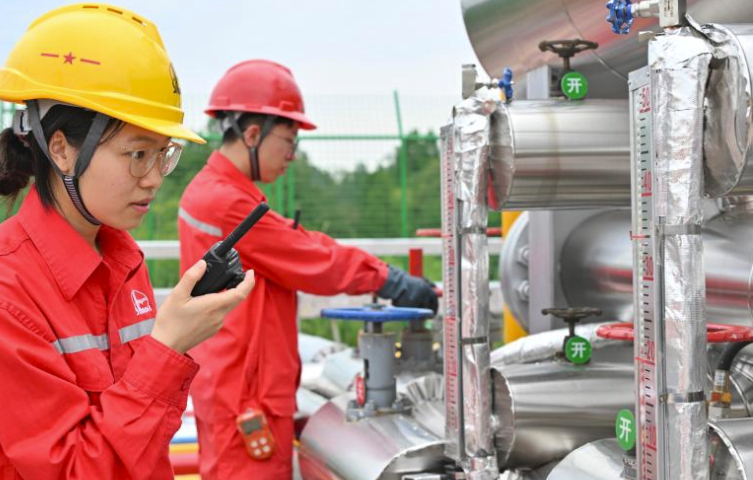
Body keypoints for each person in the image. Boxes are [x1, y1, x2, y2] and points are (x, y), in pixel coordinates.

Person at [0, 5, 255, 479]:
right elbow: (72, 470)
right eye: (138, 154)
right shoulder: (9, 292)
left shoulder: (121, 257)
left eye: (164, 154)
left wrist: (171, 346)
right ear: (60, 148)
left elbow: (146, 437)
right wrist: (168, 347)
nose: (155, 178)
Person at [178, 59, 438, 479]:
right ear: (250, 134)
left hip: (235, 386)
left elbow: (296, 244)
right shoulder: (228, 203)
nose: (292, 155)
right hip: (248, 398)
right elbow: (313, 261)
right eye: (289, 140)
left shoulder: (218, 193)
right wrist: (389, 280)